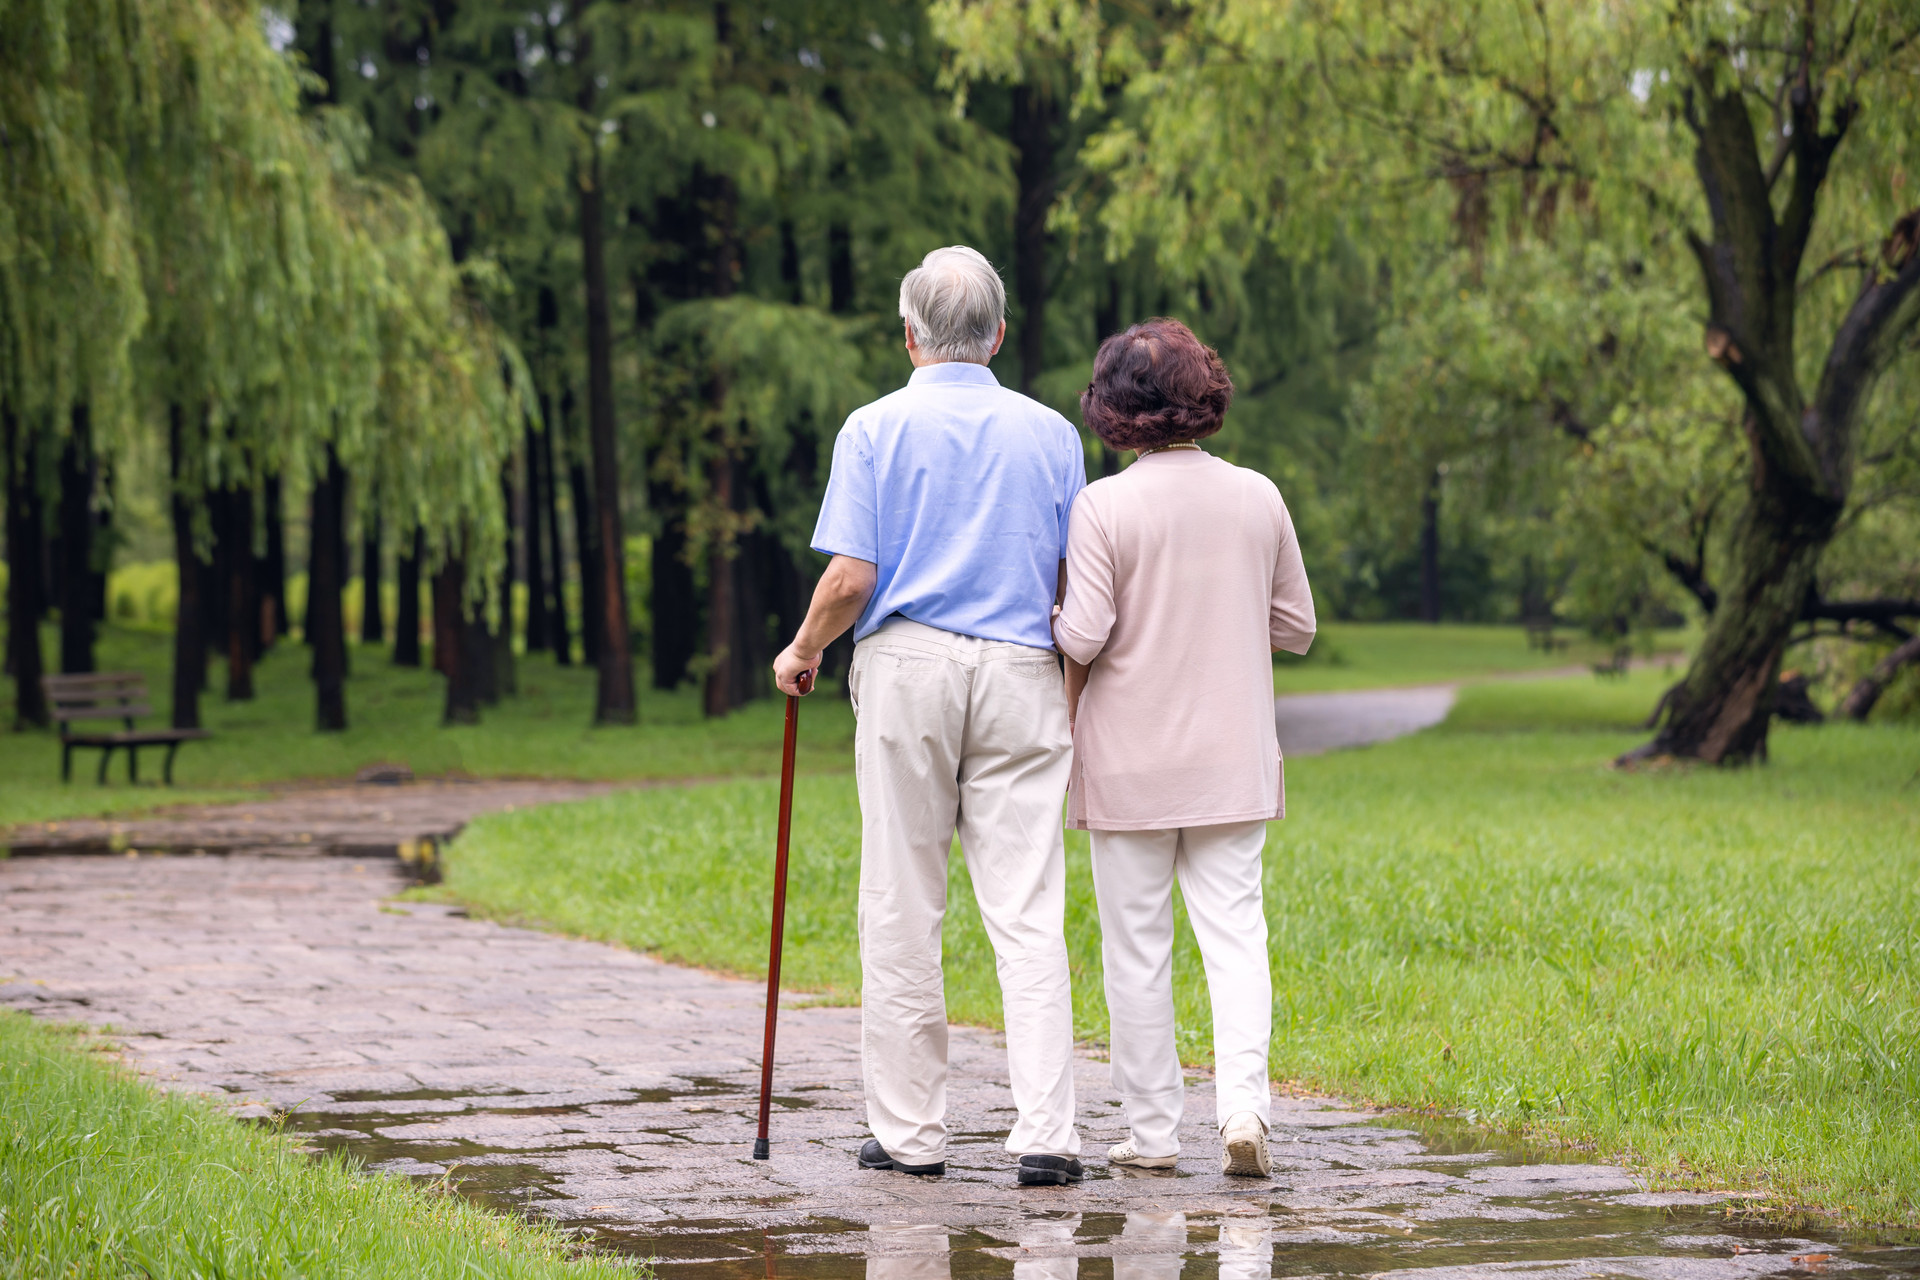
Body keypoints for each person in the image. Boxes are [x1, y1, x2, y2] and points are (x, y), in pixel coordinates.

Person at [773, 245, 1088, 1187]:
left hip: (909, 665)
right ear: (998, 334)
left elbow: (852, 577)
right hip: (1025, 668)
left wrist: (803, 649)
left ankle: (910, 1135)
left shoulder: (873, 427)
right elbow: (1073, 577)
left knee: (903, 899)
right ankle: (1047, 1136)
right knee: (1028, 907)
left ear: (910, 336)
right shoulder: (1052, 435)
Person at [1051, 318, 1315, 1178]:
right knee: (1236, 935)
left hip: (1128, 760)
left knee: (1137, 947)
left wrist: (1051, 620)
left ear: (1114, 409)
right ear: (1203, 395)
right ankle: (1243, 1108)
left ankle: (1154, 1133)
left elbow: (1083, 637)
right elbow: (1296, 627)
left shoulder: (1103, 507)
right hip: (1231, 756)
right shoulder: (1259, 496)